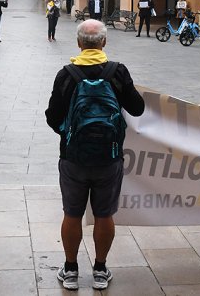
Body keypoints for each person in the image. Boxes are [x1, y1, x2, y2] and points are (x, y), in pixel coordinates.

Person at [45, 19, 145, 291]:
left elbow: (52, 117)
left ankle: (71, 270)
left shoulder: (66, 74)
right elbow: (137, 109)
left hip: (73, 158)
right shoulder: (117, 72)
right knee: (104, 215)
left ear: (79, 44)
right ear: (104, 42)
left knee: (72, 214)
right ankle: (100, 270)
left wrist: (70, 133)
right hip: (109, 158)